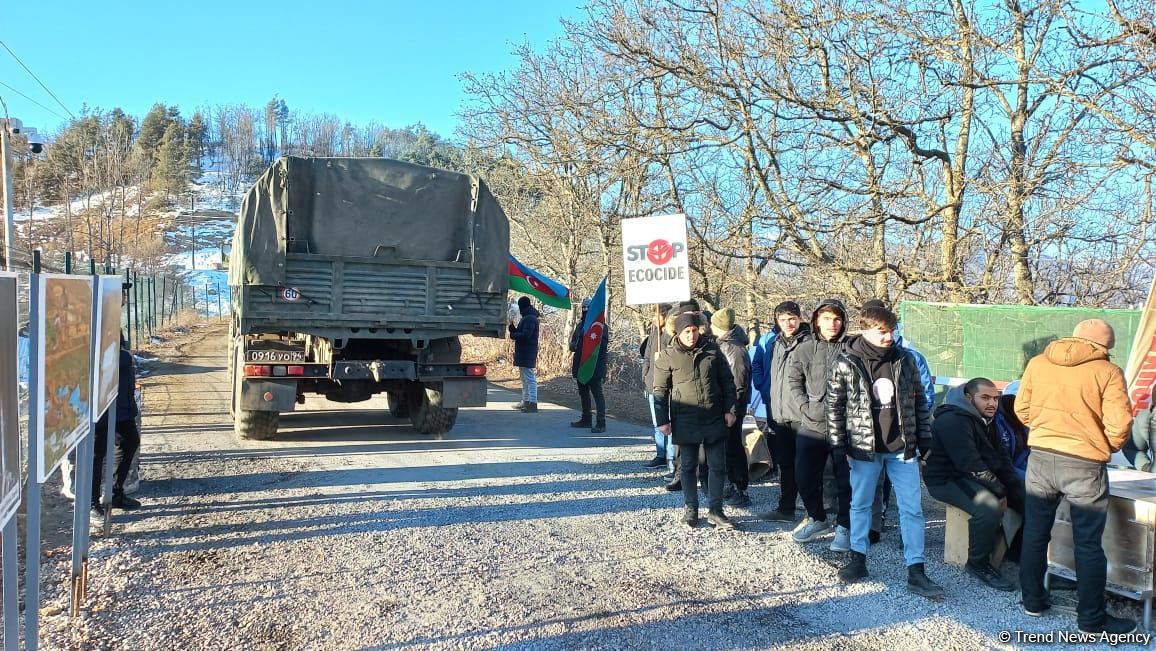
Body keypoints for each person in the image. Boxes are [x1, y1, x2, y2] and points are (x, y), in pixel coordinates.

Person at [1016, 319, 1135, 635]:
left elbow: (1022, 409)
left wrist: (1044, 430)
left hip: (1040, 457)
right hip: (1084, 463)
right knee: (1088, 543)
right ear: (1105, 346)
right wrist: (1104, 444)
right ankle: (1091, 619)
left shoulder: (1038, 363)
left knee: (1035, 533)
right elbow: (1121, 423)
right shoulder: (1107, 372)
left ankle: (1033, 602)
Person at [828, 304, 943, 600]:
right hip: (863, 447)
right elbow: (835, 406)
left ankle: (916, 569)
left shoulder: (906, 359)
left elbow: (919, 403)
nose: (889, 337)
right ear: (864, 330)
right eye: (882, 331)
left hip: (902, 448)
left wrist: (924, 439)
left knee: (912, 508)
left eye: (891, 330)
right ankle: (858, 559)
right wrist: (839, 445)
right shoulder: (846, 361)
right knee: (860, 504)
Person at [924, 378, 1025, 592]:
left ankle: (1016, 552)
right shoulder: (953, 420)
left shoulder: (988, 418)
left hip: (970, 474)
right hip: (946, 479)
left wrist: (1014, 487)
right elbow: (970, 464)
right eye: (985, 398)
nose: (992, 403)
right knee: (988, 508)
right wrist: (1000, 490)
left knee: (1027, 496)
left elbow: (1001, 457)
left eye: (995, 398)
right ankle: (977, 563)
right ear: (969, 398)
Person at [653, 310, 739, 529]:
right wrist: (662, 420)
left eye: (694, 330)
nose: (691, 335)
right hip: (685, 418)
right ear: (678, 333)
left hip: (713, 416)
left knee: (717, 466)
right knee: (688, 466)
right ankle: (691, 509)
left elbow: (728, 382)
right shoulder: (668, 356)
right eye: (686, 331)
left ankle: (716, 511)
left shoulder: (712, 349)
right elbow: (660, 391)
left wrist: (730, 410)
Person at [860, 299, 935, 545]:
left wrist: (915, 427)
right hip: (871, 438)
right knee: (872, 486)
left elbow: (924, 395)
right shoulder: (856, 357)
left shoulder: (911, 358)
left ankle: (909, 538)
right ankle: (873, 526)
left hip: (902, 438)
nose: (886, 335)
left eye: (889, 328)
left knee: (907, 495)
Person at [785, 298, 852, 552]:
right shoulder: (804, 349)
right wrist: (805, 406)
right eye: (826, 319)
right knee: (804, 476)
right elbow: (794, 380)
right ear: (816, 321)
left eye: (837, 319)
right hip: (812, 425)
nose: (832, 324)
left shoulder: (852, 348)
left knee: (845, 480)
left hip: (844, 427)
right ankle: (817, 518)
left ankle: (845, 526)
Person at [757, 301, 811, 523]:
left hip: (802, 415)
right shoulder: (775, 343)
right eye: (783, 320)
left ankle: (813, 513)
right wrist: (768, 394)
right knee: (786, 464)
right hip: (780, 413)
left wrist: (807, 408)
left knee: (807, 465)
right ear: (777, 321)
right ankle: (786, 508)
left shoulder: (809, 343)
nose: (788, 324)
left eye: (792, 319)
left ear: (800, 318)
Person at [92, 337, 141, 516]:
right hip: (100, 402)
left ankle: (115, 492)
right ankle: (92, 503)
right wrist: (124, 356)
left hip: (120, 402)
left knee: (130, 441)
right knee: (96, 453)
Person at [710, 308, 753, 507]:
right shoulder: (725, 344)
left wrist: (732, 410)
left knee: (734, 448)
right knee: (729, 447)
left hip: (733, 408)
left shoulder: (733, 349)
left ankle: (741, 488)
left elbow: (738, 383)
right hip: (727, 406)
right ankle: (733, 485)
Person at [641, 303, 674, 470]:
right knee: (657, 423)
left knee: (668, 422)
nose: (654, 319)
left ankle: (671, 456)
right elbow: (646, 356)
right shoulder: (654, 333)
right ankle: (660, 454)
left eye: (656, 315)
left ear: (665, 315)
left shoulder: (672, 335)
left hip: (668, 386)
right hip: (652, 383)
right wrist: (645, 374)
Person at [569, 298, 608, 433]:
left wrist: (589, 343)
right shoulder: (580, 325)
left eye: (588, 308)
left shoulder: (601, 326)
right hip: (581, 364)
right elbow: (573, 342)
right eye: (583, 308)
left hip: (595, 364)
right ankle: (586, 419)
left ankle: (601, 422)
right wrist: (574, 345)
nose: (585, 310)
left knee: (597, 393)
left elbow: (603, 346)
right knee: (583, 392)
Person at [509, 296, 540, 413]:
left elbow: (526, 335)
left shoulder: (530, 318)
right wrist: (514, 330)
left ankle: (532, 403)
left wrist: (514, 334)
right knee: (524, 378)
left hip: (527, 352)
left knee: (530, 378)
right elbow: (523, 333)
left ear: (522, 306)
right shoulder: (528, 317)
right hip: (525, 352)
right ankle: (526, 401)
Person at [994, 380, 1030, 479]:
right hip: (1005, 470)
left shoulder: (1023, 419)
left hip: (1021, 463)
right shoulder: (996, 422)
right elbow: (1000, 462)